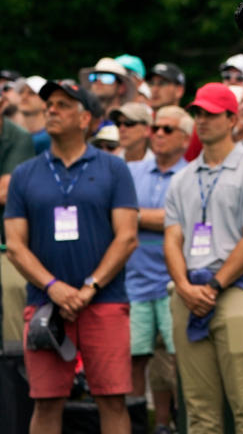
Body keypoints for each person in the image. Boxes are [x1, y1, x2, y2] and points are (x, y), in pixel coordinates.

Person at [3, 80, 139, 434]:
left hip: (105, 301)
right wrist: (54, 287)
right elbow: (16, 245)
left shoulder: (113, 169)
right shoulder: (25, 173)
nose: (51, 110)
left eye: (63, 105)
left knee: (112, 398)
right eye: (50, 105)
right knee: (46, 401)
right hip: (46, 304)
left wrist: (90, 287)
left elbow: (126, 238)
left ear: (86, 119)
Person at [163, 82, 243, 433]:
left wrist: (214, 285)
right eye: (197, 113)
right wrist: (184, 287)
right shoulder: (182, 178)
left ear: (232, 119)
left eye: (211, 114)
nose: (201, 120)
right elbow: (172, 239)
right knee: (199, 413)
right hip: (189, 295)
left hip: (238, 292)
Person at [126, 106, 192, 434]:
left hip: (174, 280)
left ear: (185, 137)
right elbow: (119, 215)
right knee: (135, 358)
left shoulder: (190, 175)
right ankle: (144, 425)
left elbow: (180, 220)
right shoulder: (133, 171)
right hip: (134, 279)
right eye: (155, 128)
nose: (159, 134)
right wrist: (155, 217)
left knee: (179, 358)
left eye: (168, 129)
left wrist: (136, 216)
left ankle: (174, 423)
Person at [0, 98, 37, 351]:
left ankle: (13, 381)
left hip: (6, 243)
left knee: (12, 292)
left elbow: (5, 191)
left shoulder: (18, 137)